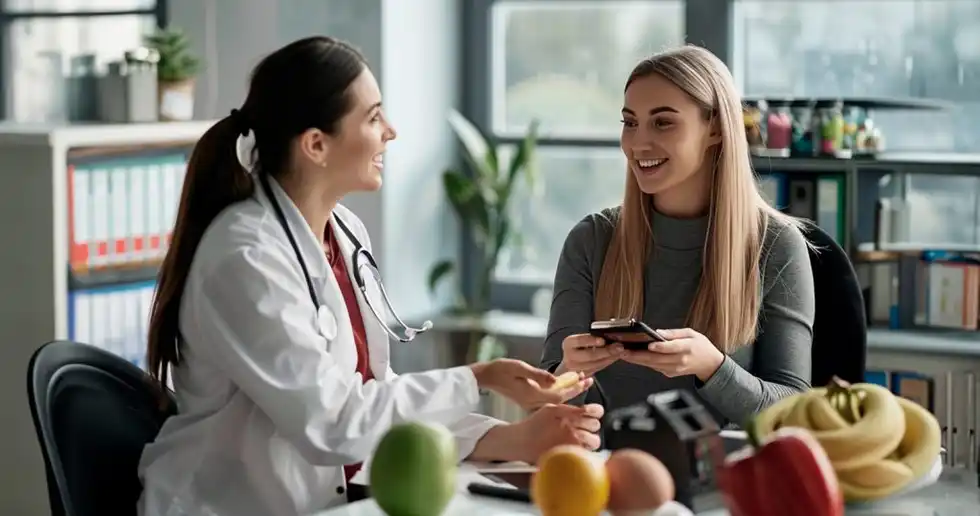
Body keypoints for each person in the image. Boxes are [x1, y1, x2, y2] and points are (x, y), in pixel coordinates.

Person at [138, 36, 602, 516]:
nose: (391, 132)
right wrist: (480, 376)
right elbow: (335, 424)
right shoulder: (246, 257)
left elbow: (370, 397)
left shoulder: (344, 232)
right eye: (374, 117)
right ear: (316, 144)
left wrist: (507, 437)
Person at [540, 45, 815, 428]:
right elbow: (546, 409)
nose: (638, 143)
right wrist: (568, 372)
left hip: (726, 481)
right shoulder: (591, 240)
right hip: (607, 476)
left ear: (716, 128)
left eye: (663, 122)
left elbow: (794, 416)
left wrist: (713, 367)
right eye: (630, 122)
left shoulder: (777, 245)